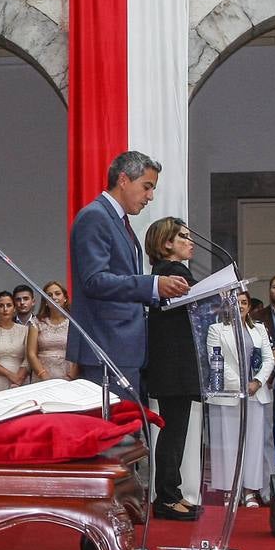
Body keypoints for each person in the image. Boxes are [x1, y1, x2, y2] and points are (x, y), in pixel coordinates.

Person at [65, 150, 189, 399]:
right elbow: (94, 281)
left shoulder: (120, 222)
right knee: (116, 435)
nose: (150, 197)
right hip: (107, 347)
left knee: (131, 433)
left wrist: (164, 294)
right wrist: (153, 285)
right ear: (123, 180)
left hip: (125, 348)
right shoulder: (95, 217)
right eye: (146, 187)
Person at [142, 217, 201, 521]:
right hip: (174, 366)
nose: (191, 242)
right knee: (173, 432)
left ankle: (171, 492)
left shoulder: (165, 274)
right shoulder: (173, 273)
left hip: (172, 365)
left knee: (175, 431)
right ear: (167, 244)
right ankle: (166, 497)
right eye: (184, 237)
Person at [205, 292, 275, 507]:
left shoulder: (259, 329)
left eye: (244, 302)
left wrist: (257, 381)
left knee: (253, 444)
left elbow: (269, 359)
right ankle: (229, 491)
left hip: (256, 393)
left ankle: (249, 491)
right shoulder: (216, 329)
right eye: (236, 302)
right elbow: (216, 359)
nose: (240, 306)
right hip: (228, 394)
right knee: (227, 444)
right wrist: (240, 384)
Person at [26, 280, 77, 381]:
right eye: (49, 295)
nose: (54, 297)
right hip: (42, 376)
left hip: (68, 376)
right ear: (45, 301)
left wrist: (70, 376)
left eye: (57, 294)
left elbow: (80, 353)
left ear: (65, 298)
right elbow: (31, 353)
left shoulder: (75, 323)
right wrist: (43, 375)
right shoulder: (36, 322)